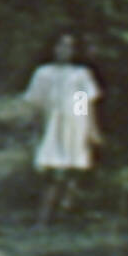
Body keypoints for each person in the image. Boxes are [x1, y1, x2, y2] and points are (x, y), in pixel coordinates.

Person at [24, 29, 104, 226]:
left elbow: (83, 105)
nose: (63, 50)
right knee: (51, 172)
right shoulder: (43, 73)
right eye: (60, 45)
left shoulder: (80, 74)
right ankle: (42, 218)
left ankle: (64, 213)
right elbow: (38, 103)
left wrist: (91, 130)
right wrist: (36, 127)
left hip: (74, 124)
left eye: (68, 46)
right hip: (52, 125)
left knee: (72, 170)